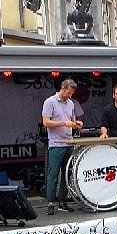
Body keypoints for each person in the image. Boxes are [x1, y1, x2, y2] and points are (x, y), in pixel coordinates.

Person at [42, 78, 82, 214]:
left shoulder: (71, 103)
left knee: (67, 173)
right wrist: (64, 123)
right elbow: (46, 122)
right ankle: (50, 202)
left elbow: (72, 121)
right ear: (63, 89)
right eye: (69, 93)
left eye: (72, 94)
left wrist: (77, 124)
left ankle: (62, 200)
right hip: (56, 143)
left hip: (69, 142)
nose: (70, 96)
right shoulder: (50, 102)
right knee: (53, 173)